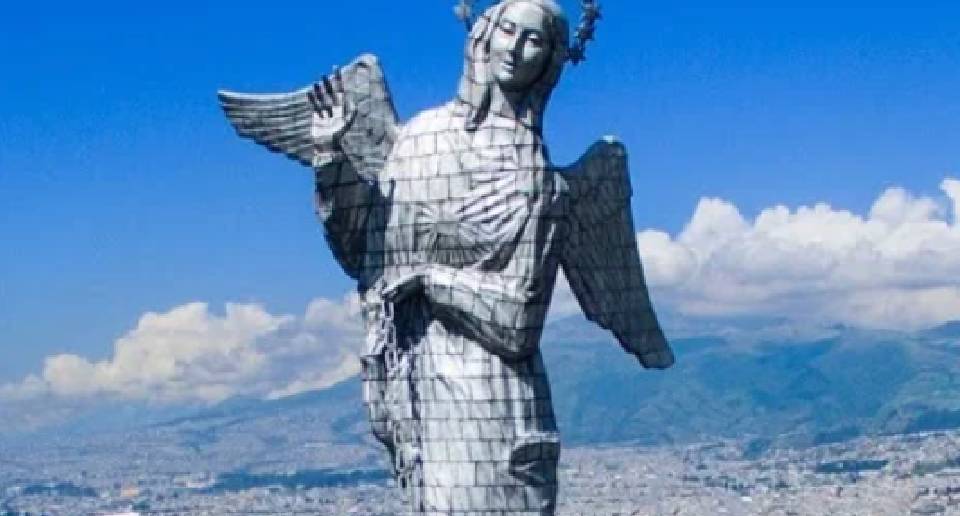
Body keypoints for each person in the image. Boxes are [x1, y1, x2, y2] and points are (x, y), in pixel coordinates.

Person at [219, 1, 673, 513]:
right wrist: (330, 161)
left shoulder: (534, 176)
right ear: (484, 35)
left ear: (550, 58)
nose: (516, 48)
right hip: (426, 389)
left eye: (534, 39)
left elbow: (519, 323)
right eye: (508, 29)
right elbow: (367, 254)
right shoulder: (421, 138)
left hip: (495, 398)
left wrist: (430, 280)